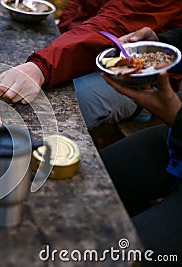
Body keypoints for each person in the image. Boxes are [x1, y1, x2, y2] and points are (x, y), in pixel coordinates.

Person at [0, 0, 182, 127]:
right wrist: (66, 37)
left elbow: (117, 22)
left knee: (49, 115)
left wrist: (42, 67)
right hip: (101, 47)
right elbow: (83, 6)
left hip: (144, 76)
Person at [99, 27, 182, 265]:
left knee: (112, 253)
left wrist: (176, 117)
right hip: (175, 140)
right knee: (93, 177)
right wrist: (164, 43)